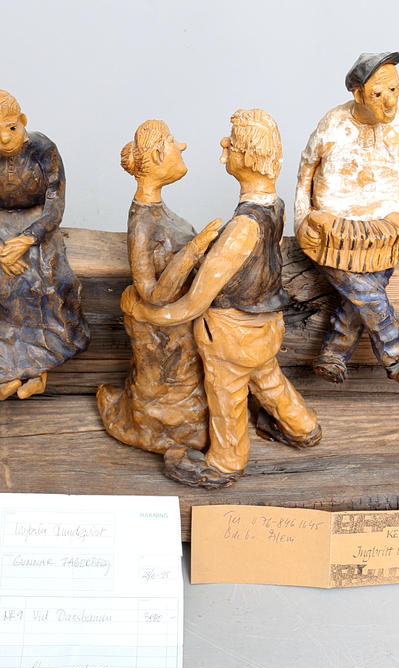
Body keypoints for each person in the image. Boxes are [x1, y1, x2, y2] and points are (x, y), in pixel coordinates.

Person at [124, 109, 321, 488]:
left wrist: (148, 315)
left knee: (227, 396)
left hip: (231, 334)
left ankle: (225, 463)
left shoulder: (241, 228)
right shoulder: (275, 206)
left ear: (248, 155)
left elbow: (194, 303)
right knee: (268, 379)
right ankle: (303, 427)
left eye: (231, 142)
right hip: (265, 324)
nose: (223, 145)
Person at [0, 86, 89, 400]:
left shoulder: (44, 148)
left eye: (12, 127)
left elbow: (55, 203)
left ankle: (39, 367)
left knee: (44, 278)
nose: (5, 138)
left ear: (23, 120)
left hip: (35, 223)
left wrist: (27, 239)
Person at [295, 51, 399, 386]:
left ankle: (334, 353)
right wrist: (302, 221)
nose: (390, 102)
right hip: (331, 231)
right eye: (378, 94)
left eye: (394, 90)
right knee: (368, 291)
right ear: (358, 94)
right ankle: (397, 355)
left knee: (364, 289)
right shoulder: (333, 124)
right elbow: (305, 172)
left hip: (386, 232)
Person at [97, 120, 220, 457]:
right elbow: (151, 294)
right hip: (162, 330)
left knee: (183, 382)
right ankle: (153, 431)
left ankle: (186, 430)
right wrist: (194, 249)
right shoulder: (142, 221)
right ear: (156, 154)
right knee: (162, 387)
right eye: (171, 141)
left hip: (181, 324)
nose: (181, 146)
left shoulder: (157, 211)